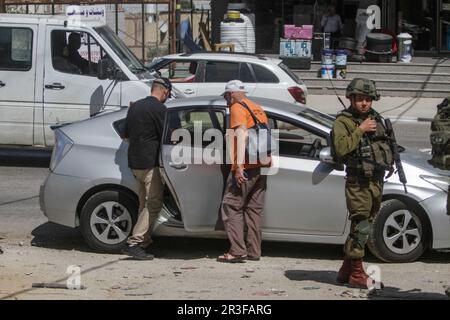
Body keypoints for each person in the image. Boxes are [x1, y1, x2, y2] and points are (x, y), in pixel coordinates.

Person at [332, 78, 394, 289]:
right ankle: (357, 274)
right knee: (361, 224)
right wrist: (360, 130)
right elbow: (340, 149)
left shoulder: (375, 118)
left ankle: (346, 270)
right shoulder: (343, 121)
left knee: (363, 225)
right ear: (351, 98)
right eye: (360, 99)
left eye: (368, 99)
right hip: (358, 181)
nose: (364, 103)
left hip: (375, 180)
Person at [217, 80, 270, 263]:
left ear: (231, 94)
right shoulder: (257, 108)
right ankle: (254, 251)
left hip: (246, 167)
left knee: (231, 205)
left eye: (226, 96)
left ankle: (238, 251)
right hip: (260, 165)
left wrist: (238, 167)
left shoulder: (237, 108)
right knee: (254, 210)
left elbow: (243, 135)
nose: (226, 101)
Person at [121, 77, 172, 260]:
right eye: (168, 94)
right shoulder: (160, 109)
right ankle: (134, 243)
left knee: (144, 203)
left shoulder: (135, 106)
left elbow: (125, 135)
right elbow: (168, 136)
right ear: (164, 91)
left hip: (135, 163)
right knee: (153, 203)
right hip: (151, 163)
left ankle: (143, 241)